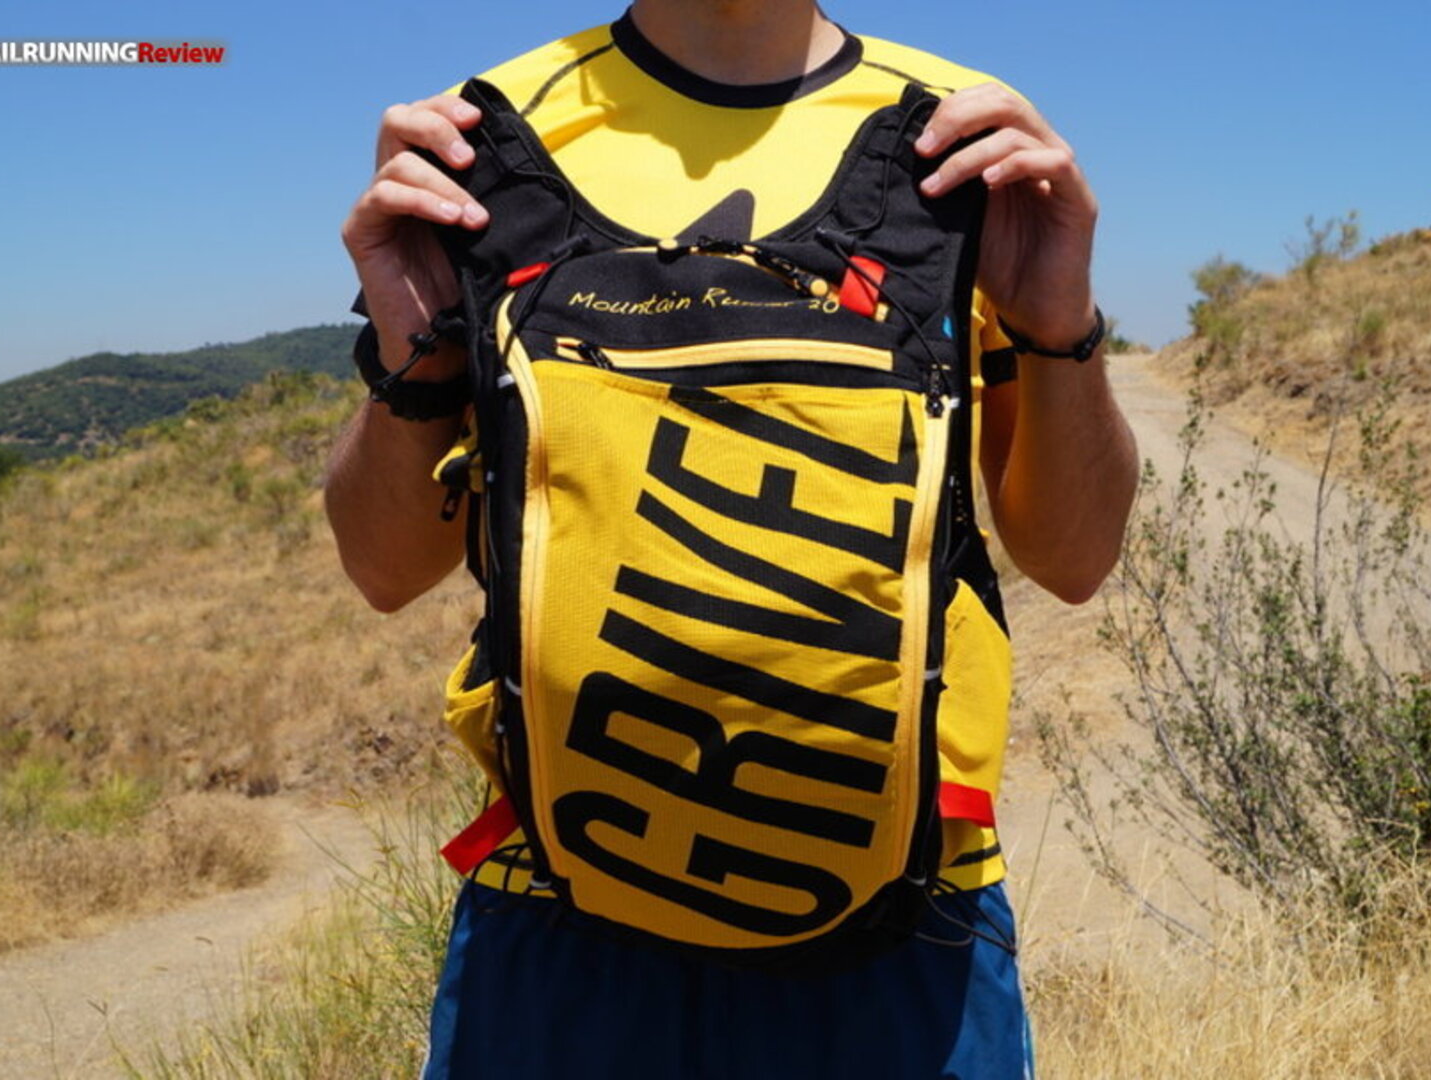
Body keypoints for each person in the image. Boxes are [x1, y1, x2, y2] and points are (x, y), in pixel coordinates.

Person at [327, 2, 1139, 1076]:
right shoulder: (485, 144)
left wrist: (1058, 326)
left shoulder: (955, 143)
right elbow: (385, 569)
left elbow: (1074, 560)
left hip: (904, 909)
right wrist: (420, 353)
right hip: (557, 906)